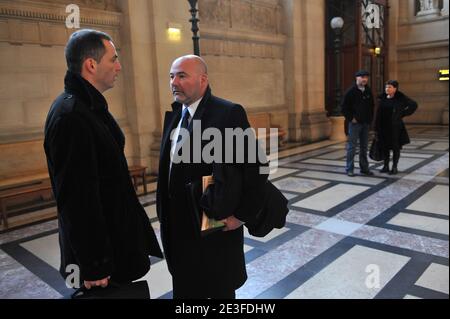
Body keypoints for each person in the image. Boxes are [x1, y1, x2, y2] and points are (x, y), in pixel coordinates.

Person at [44, 29, 162, 291]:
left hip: (116, 242)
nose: (119, 67)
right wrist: (94, 263)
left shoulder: (88, 107)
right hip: (103, 258)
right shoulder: (72, 116)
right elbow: (77, 199)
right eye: (114, 59)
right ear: (91, 64)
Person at [156, 55, 268, 299]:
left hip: (213, 232)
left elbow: (256, 168)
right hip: (179, 234)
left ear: (203, 79)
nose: (174, 82)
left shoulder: (228, 114)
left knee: (219, 295)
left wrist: (241, 216)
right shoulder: (175, 115)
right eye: (171, 76)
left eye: (182, 75)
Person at [376, 80, 418, 175]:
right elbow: (379, 113)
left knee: (395, 147)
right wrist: (376, 127)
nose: (387, 89)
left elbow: (414, 105)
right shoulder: (383, 98)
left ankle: (394, 167)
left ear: (395, 88)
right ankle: (386, 166)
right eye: (386, 87)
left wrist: (402, 114)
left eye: (390, 87)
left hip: (395, 127)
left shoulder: (400, 98)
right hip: (383, 126)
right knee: (385, 147)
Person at [341, 70, 375, 177]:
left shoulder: (368, 90)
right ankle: (349, 169)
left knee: (364, 147)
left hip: (365, 123)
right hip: (354, 124)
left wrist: (370, 119)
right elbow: (344, 108)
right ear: (357, 78)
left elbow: (372, 105)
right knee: (352, 147)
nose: (364, 79)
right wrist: (351, 118)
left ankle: (364, 168)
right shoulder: (350, 91)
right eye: (362, 77)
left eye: (366, 77)